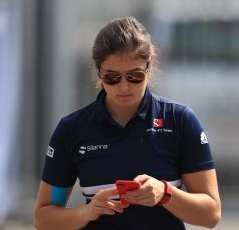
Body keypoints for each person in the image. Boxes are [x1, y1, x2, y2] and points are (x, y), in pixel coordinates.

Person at [34, 17, 221, 230]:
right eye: (112, 77)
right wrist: (87, 211)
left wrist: (164, 193)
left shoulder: (180, 120)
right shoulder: (72, 129)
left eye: (135, 76)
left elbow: (211, 214)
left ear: (149, 67)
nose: (124, 87)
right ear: (99, 72)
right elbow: (44, 219)